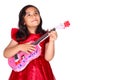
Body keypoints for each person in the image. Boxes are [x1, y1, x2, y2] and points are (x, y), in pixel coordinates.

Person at [3, 4, 57, 80]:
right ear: (23, 22)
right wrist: (20, 47)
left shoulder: (45, 35)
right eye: (29, 15)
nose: (34, 16)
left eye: (36, 13)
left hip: (41, 72)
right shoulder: (20, 36)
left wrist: (51, 41)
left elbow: (48, 58)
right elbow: (6, 53)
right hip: (22, 73)